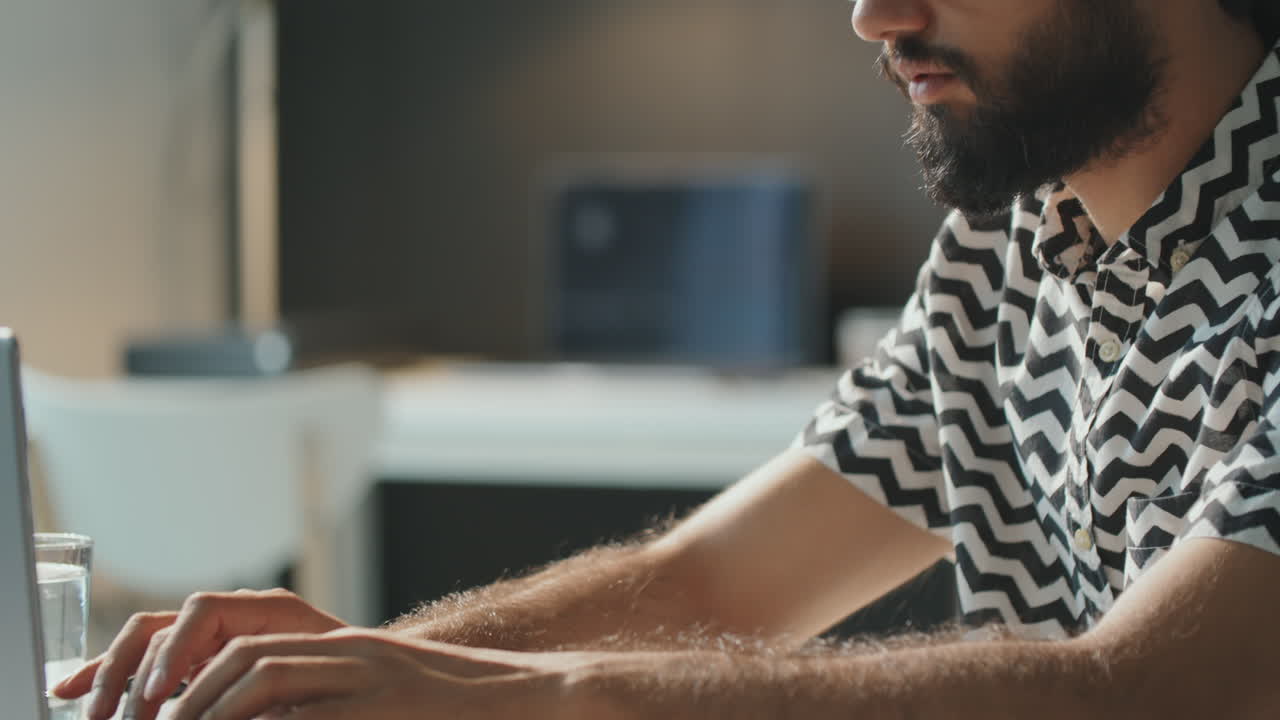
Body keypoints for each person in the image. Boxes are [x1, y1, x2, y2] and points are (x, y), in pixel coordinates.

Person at [56, 1, 1280, 717]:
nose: (872, 14)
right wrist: (360, 667)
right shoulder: (1012, 244)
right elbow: (714, 584)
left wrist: (500, 702)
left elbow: (1142, 692)